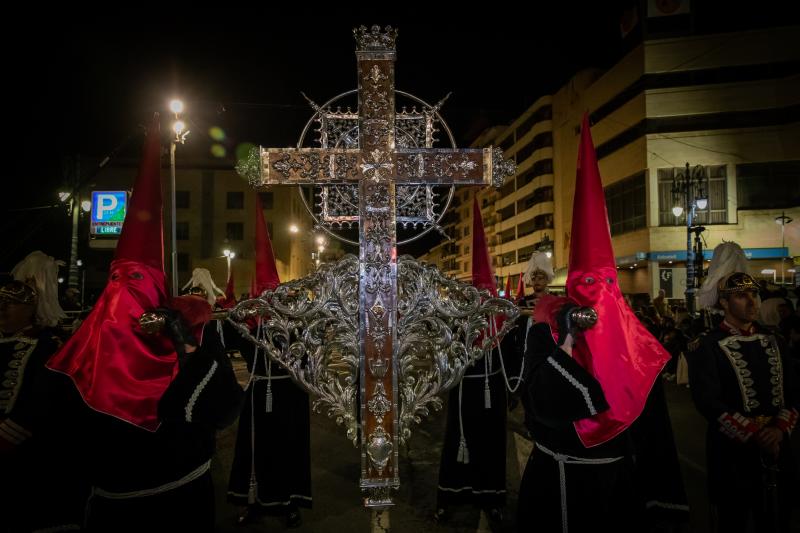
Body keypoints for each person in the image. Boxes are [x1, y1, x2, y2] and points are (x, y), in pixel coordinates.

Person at [42, 115, 244, 532]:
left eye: (134, 281)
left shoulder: (193, 337)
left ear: (155, 290)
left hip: (181, 502)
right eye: (116, 280)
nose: (122, 293)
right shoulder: (81, 347)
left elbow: (221, 409)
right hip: (107, 506)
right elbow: (58, 436)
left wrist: (187, 346)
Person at [517, 114, 687, 532]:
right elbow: (540, 407)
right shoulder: (549, 330)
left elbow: (656, 438)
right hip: (556, 481)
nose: (598, 292)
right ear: (572, 286)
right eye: (587, 283)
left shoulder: (638, 345)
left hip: (617, 483)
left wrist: (660, 499)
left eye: (607, 283)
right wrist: (564, 338)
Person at [687, 272, 799, 533]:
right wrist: (755, 434)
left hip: (778, 446)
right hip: (732, 452)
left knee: (777, 517)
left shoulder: (775, 341)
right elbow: (707, 401)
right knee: (733, 519)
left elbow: (794, 391)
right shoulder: (707, 345)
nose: (752, 302)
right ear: (724, 303)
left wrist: (779, 430)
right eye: (741, 296)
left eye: (754, 295)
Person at [435, 198, 522, 525]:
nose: (485, 297)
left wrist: (513, 389)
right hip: (464, 393)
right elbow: (446, 353)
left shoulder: (504, 325)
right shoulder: (461, 322)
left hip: (494, 393)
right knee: (457, 444)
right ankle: (449, 496)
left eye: (489, 291)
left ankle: (492, 498)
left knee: (492, 447)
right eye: (480, 292)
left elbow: (512, 359)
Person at [227, 193, 311, 528]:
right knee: (256, 451)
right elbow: (224, 336)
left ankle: (290, 503)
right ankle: (255, 501)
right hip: (258, 396)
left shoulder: (292, 326)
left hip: (288, 396)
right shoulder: (247, 328)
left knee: (287, 450)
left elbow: (306, 355)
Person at [0, 251, 88, 532]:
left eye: (10, 304)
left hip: (30, 455)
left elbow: (40, 400)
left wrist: (8, 436)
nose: (2, 309)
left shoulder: (48, 345)